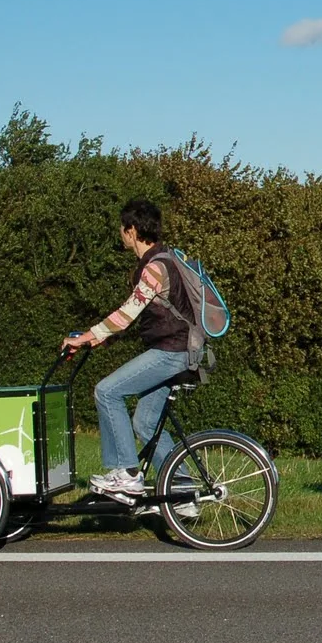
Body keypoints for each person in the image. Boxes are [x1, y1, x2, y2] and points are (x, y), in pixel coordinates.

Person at [62, 198, 195, 503]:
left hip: (172, 351)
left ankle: (127, 474)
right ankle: (184, 494)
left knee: (107, 392)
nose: (121, 235)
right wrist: (100, 339)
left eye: (122, 229)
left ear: (132, 230)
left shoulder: (155, 267)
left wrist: (86, 337)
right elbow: (142, 317)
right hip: (181, 349)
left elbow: (126, 314)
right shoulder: (167, 258)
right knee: (145, 423)